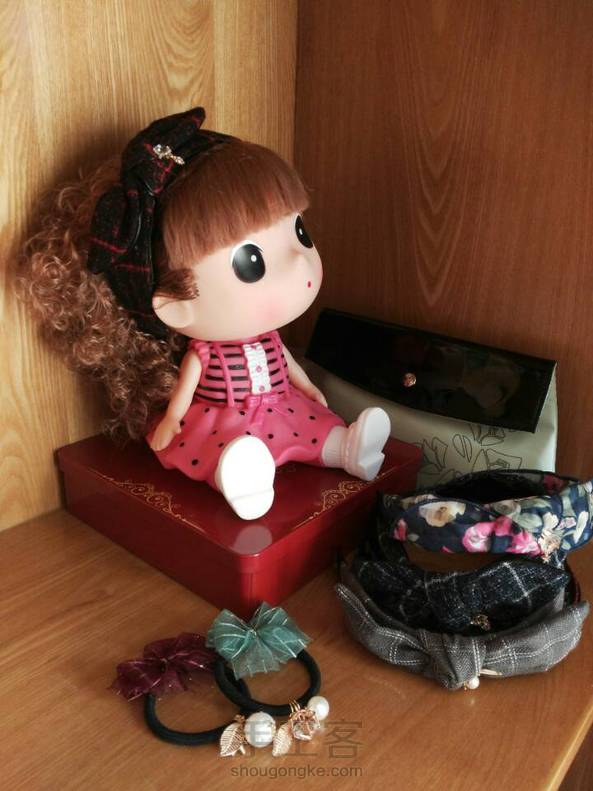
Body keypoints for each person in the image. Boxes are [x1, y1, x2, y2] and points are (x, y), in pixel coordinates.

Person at [20, 107, 390, 519]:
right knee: (222, 452)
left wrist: (307, 389)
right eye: (251, 262)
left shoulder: (269, 338)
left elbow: (288, 364)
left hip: (282, 404)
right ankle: (244, 481)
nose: (300, 263)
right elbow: (183, 395)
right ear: (174, 306)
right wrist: (171, 421)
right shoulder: (204, 354)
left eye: (299, 231)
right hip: (223, 418)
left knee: (312, 428)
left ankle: (349, 449)